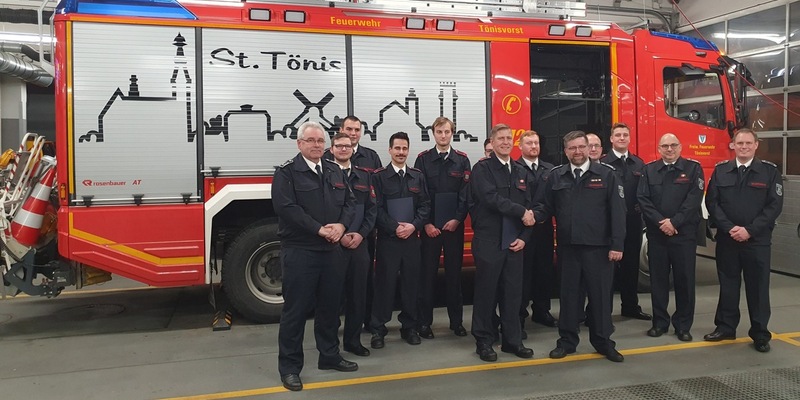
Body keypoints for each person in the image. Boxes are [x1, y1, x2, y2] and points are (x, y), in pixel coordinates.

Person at [273, 121, 358, 392]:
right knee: (295, 312)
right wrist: (319, 229)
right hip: (301, 251)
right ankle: (289, 368)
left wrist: (342, 226)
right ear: (299, 144)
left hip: (331, 252)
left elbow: (351, 203)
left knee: (330, 308)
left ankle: (329, 355)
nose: (316, 145)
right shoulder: (286, 174)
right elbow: (286, 208)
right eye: (310, 141)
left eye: (320, 141)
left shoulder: (334, 170)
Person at [534, 130, 626, 362]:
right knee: (569, 298)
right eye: (572, 148)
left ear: (589, 148)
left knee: (601, 298)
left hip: (600, 249)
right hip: (569, 249)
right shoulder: (556, 176)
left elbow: (618, 212)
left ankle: (604, 342)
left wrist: (617, 245)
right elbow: (545, 207)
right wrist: (530, 216)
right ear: (565, 151)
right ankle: (567, 342)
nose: (577, 152)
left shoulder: (607, 174)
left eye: (581, 147)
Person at [704, 128, 783, 353]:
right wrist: (730, 229)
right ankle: (725, 327)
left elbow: (774, 207)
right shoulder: (721, 171)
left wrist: (749, 230)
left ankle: (760, 333)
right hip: (728, 241)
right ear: (733, 145)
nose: (744, 147)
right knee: (728, 285)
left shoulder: (769, 172)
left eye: (748, 143)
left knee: (758, 289)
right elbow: (713, 203)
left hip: (757, 241)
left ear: (756, 145)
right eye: (740, 143)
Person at [470, 123, 535, 362]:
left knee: (512, 295)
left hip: (514, 244)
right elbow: (490, 199)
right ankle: (484, 342)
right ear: (493, 142)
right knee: (486, 294)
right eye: (501, 139)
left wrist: (524, 238)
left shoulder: (520, 171)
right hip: (489, 241)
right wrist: (520, 211)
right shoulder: (482, 169)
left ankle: (512, 341)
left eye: (509, 138)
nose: (506, 142)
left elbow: (531, 208)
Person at [637, 133, 704, 342]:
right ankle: (659, 323)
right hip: (658, 236)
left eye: (673, 145)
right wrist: (661, 223)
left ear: (680, 146)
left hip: (683, 235)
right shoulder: (649, 170)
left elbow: (694, 200)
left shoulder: (693, 169)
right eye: (665, 146)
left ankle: (683, 326)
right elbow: (643, 199)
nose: (669, 149)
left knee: (685, 281)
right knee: (658, 282)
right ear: (659, 148)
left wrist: (674, 222)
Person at [369, 132, 431, 349]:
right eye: (397, 148)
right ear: (389, 150)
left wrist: (413, 225)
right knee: (384, 285)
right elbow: (375, 209)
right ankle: (378, 329)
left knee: (411, 285)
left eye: (404, 148)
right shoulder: (378, 177)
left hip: (412, 240)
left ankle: (409, 327)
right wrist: (395, 228)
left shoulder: (417, 176)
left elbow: (425, 205)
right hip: (388, 241)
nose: (401, 152)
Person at [323, 115, 382, 331]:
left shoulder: (371, 158)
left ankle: (363, 325)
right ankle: (332, 328)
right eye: (349, 129)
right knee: (333, 286)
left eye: (357, 129)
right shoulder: (325, 163)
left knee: (363, 284)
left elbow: (374, 200)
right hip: (334, 238)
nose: (353, 133)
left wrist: (362, 233)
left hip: (362, 236)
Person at [415, 117, 471, 338]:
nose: (443, 135)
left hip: (452, 229)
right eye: (439, 131)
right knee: (426, 277)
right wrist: (426, 223)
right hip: (429, 230)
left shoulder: (462, 161)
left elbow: (465, 195)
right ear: (433, 133)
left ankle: (456, 323)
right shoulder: (423, 160)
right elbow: (419, 194)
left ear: (452, 133)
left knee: (454, 277)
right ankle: (424, 324)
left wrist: (457, 219)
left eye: (447, 131)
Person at [330, 132, 377, 357]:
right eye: (339, 146)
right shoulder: (325, 176)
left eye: (347, 146)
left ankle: (353, 341)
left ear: (352, 149)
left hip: (359, 244)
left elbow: (372, 210)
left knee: (359, 295)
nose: (343, 149)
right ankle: (330, 346)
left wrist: (361, 234)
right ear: (332, 149)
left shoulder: (364, 177)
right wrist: (338, 235)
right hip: (333, 246)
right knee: (331, 296)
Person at [601, 122, 651, 321]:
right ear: (611, 139)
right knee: (608, 269)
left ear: (629, 139)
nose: (622, 138)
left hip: (632, 221)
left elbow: (644, 193)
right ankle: (604, 311)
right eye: (618, 135)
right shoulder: (602, 163)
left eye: (625, 135)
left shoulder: (638, 164)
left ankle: (630, 306)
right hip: (609, 224)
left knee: (631, 266)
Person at [515, 130, 557, 332]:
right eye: (529, 143)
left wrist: (537, 216)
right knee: (522, 275)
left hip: (543, 229)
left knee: (544, 271)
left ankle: (542, 311)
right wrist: (527, 214)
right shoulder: (514, 169)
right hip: (520, 231)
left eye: (536, 143)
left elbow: (552, 201)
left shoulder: (551, 170)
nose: (533, 146)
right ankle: (519, 316)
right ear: (520, 146)